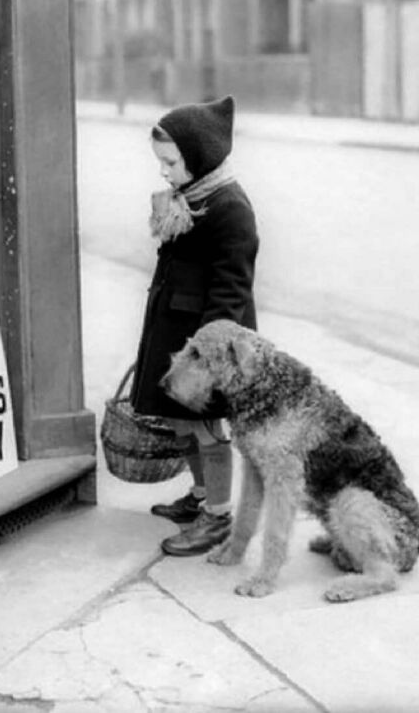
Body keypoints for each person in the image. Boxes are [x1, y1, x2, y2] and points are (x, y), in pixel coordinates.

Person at [129, 95, 259, 556]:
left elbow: (231, 292)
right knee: (179, 422)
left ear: (198, 157)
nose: (163, 171)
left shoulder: (230, 208)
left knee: (204, 428)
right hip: (174, 332)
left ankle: (218, 516)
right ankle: (202, 495)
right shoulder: (191, 197)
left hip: (206, 345)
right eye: (160, 162)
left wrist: (204, 361)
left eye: (170, 162)